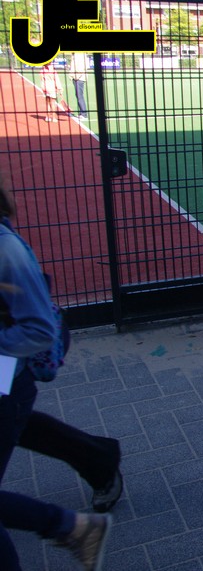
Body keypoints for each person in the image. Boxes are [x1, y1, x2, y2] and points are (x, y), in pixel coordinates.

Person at [0, 179, 111, 571]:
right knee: (22, 425)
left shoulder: (5, 249)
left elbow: (39, 330)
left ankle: (73, 526)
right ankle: (91, 479)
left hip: (8, 379)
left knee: (18, 420)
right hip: (8, 385)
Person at [69, 54, 89, 120]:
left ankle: (84, 114)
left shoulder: (79, 55)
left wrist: (76, 76)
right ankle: (81, 113)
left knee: (80, 95)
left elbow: (82, 67)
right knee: (78, 95)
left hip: (79, 78)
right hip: (76, 77)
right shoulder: (75, 55)